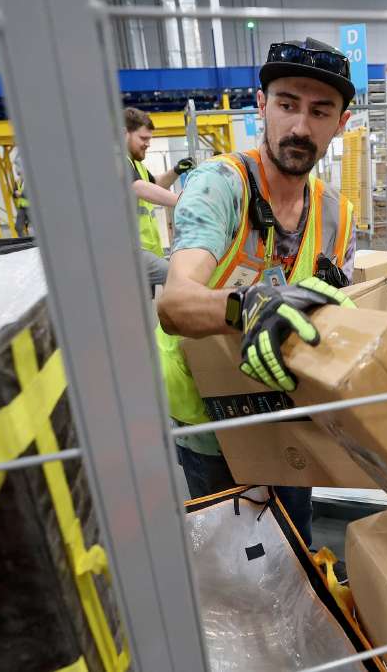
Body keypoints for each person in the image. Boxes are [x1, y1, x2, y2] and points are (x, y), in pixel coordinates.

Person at [156, 37, 359, 546]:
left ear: (342, 122)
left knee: (297, 548)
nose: (300, 127)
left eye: (320, 111)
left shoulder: (337, 213)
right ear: (261, 105)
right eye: (287, 104)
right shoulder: (220, 186)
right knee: (235, 563)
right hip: (212, 416)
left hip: (288, 411)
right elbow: (175, 303)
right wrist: (249, 306)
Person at [123, 107, 193, 289]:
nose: (148, 144)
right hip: (129, 250)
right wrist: (185, 201)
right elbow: (138, 187)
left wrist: (176, 170)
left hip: (146, 249)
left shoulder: (135, 165)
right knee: (178, 277)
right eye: (143, 138)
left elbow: (155, 185)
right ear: (125, 134)